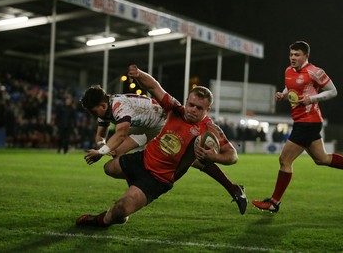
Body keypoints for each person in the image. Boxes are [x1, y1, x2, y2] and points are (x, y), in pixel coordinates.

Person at [76, 67, 245, 227]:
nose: (192, 110)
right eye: (191, 104)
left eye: (199, 108)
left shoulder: (210, 128)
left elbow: (233, 155)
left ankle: (102, 220)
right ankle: (136, 187)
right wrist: (139, 74)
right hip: (143, 155)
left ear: (207, 110)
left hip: (159, 174)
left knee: (122, 208)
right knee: (109, 167)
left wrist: (214, 157)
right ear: (186, 100)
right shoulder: (176, 108)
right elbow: (153, 86)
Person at [251, 41, 343, 213]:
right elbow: (291, 87)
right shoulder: (288, 71)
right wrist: (283, 94)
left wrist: (312, 99)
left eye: (297, 55)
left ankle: (274, 202)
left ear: (306, 56)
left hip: (309, 121)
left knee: (285, 160)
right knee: (322, 159)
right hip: (302, 121)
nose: (293, 57)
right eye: (291, 54)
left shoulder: (315, 71)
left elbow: (333, 91)